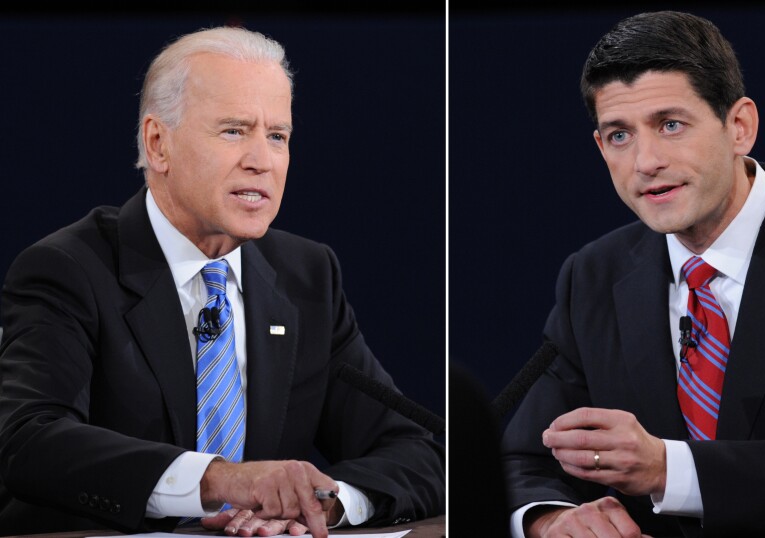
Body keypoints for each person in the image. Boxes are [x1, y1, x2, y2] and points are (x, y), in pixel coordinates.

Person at [0, 26, 444, 537]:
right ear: (158, 143)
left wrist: (324, 502)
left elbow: (417, 451)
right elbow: (29, 440)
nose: (262, 161)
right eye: (234, 131)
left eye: (277, 136)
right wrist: (220, 480)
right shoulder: (69, 269)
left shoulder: (307, 276)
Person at [501, 10, 765, 538]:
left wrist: (670, 470)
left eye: (670, 125)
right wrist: (550, 518)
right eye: (619, 135)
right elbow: (521, 460)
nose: (645, 161)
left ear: (739, 127)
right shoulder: (593, 275)